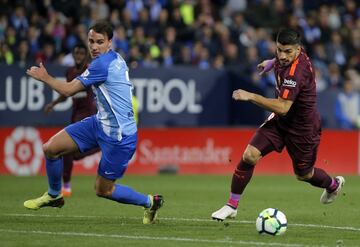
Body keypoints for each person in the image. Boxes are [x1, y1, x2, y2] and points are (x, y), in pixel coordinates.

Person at [24, 20, 164, 224]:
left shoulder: (101, 64)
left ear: (109, 43)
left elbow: (68, 90)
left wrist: (45, 77)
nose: (94, 46)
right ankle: (55, 195)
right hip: (99, 124)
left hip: (119, 137)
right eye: (91, 41)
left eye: (100, 42)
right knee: (50, 148)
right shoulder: (116, 58)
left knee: (103, 190)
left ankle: (150, 202)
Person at [211, 28, 345, 221]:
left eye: (287, 52)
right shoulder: (289, 55)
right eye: (279, 50)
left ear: (298, 50)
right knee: (250, 155)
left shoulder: (296, 72)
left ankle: (333, 185)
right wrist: (271, 63)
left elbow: (283, 107)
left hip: (302, 129)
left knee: (304, 174)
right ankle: (232, 205)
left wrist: (250, 96)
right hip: (280, 122)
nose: (282, 55)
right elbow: (281, 109)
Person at [44, 43, 98, 197]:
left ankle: (65, 186)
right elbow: (67, 92)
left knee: (67, 151)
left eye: (82, 53)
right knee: (71, 153)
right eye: (76, 53)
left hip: (88, 114)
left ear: (86, 56)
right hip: (75, 115)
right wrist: (53, 104)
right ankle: (100, 144)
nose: (79, 56)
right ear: (73, 55)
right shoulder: (69, 71)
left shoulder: (91, 70)